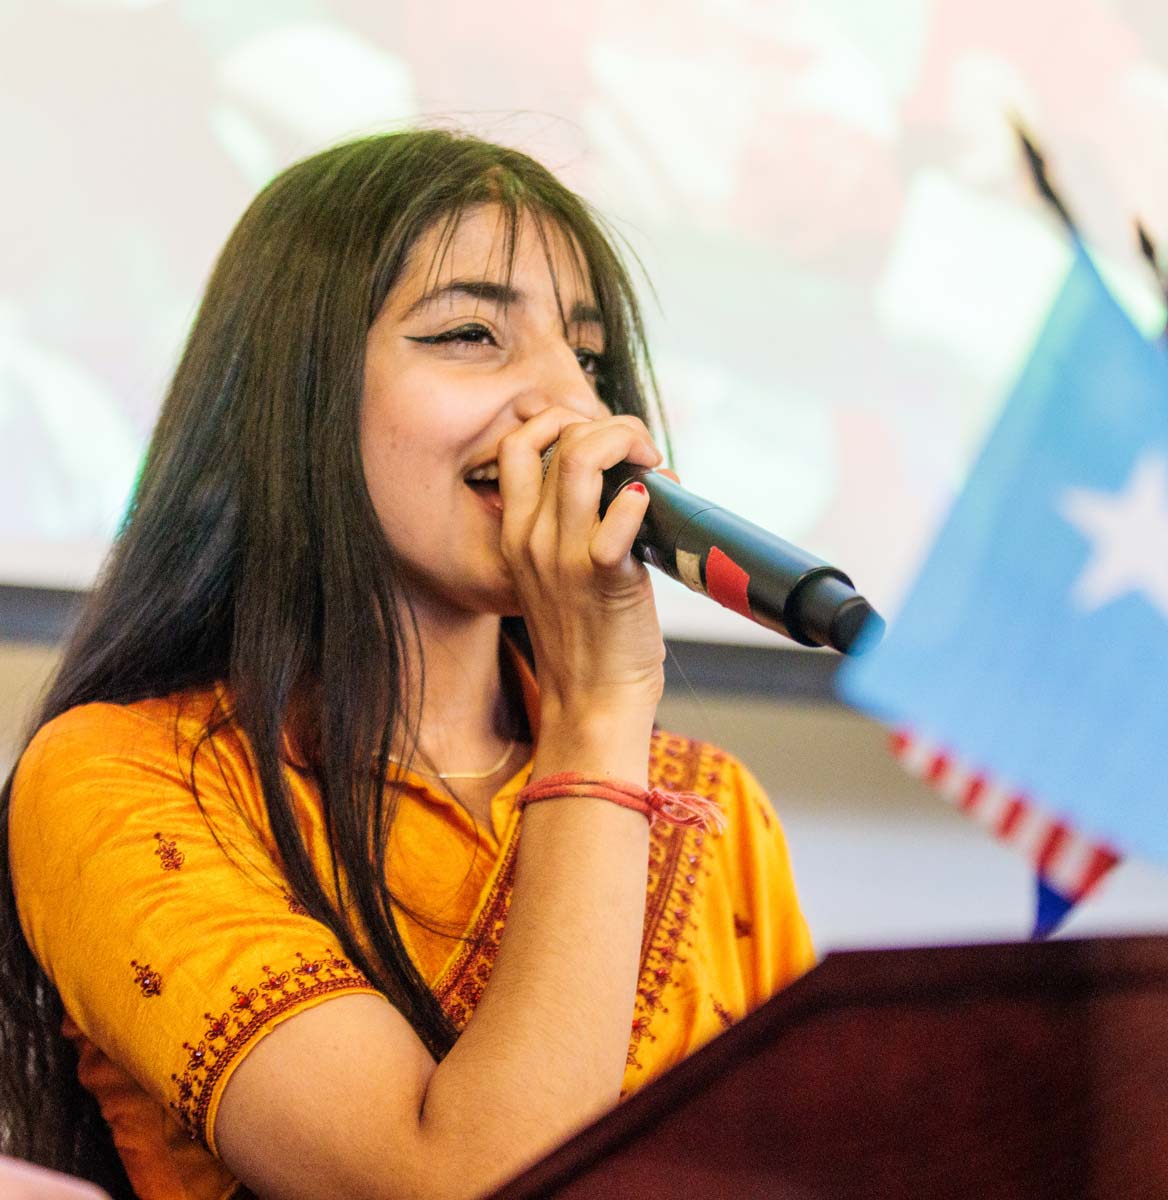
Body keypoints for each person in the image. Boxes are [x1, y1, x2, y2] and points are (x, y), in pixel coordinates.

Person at [0, 130, 815, 1200]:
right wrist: (598, 713)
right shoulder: (127, 777)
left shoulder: (713, 814)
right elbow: (457, 1184)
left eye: (592, 357)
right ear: (298, 399)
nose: (571, 407)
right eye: (472, 332)